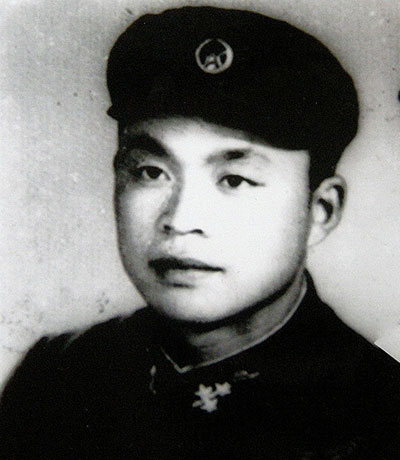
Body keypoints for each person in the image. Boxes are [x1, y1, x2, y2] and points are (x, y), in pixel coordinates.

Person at [0, 6, 399, 460]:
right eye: (151, 172)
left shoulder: (381, 414)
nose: (181, 218)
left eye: (234, 180)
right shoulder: (58, 378)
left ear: (321, 211)